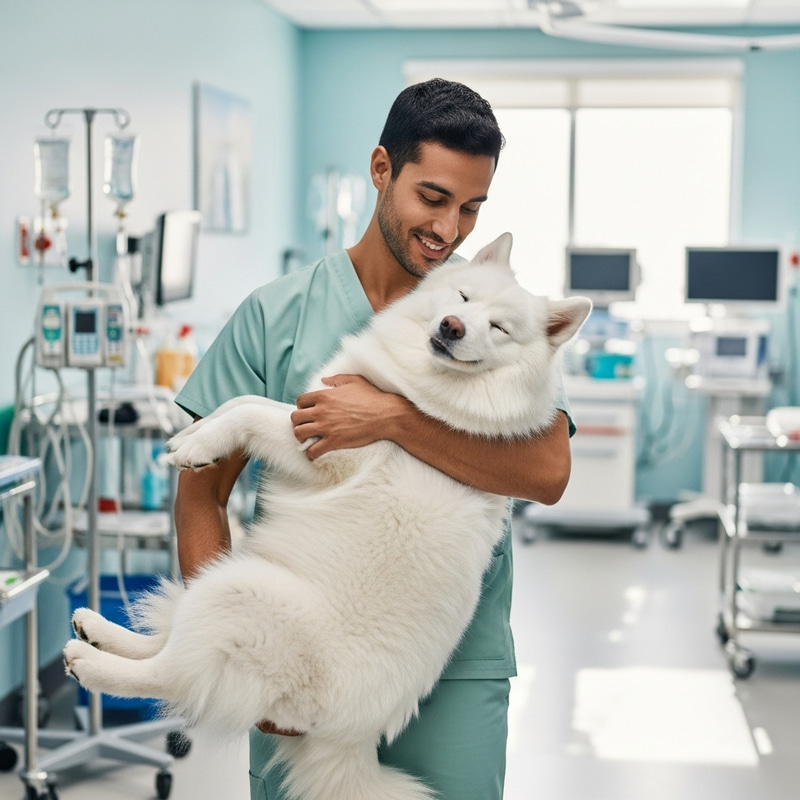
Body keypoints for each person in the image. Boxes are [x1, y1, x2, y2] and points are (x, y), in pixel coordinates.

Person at [174, 78, 575, 800]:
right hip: (297, 651)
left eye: (472, 208)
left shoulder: (491, 314)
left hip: (449, 663)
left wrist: (393, 419)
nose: (450, 231)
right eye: (433, 197)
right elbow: (201, 491)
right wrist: (238, 655)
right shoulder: (275, 315)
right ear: (382, 169)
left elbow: (547, 470)